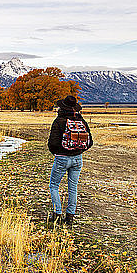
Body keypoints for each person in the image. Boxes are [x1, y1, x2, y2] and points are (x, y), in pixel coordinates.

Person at [47, 95, 93, 227]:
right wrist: (78, 150)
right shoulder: (81, 120)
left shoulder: (59, 121)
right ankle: (70, 217)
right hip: (78, 159)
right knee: (73, 188)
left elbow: (53, 143)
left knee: (54, 185)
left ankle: (57, 214)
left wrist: (57, 153)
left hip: (61, 158)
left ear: (62, 107)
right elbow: (90, 142)